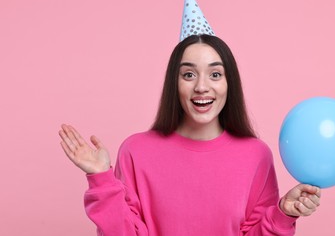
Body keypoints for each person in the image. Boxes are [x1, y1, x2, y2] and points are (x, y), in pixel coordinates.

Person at [59, 34, 321, 236]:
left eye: (215, 74)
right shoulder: (136, 151)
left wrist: (283, 214)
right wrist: (102, 179)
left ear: (230, 84)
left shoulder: (256, 155)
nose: (202, 86)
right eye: (189, 74)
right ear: (175, 83)